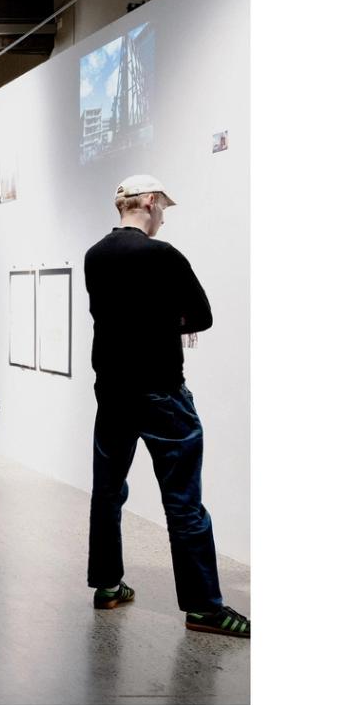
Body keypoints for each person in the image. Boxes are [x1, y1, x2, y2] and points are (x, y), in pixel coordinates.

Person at [82, 174, 249, 638]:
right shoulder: (163, 255)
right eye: (163, 210)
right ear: (150, 202)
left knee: (107, 492)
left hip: (112, 392)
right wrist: (164, 321)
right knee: (183, 502)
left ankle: (107, 585)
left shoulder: (94, 255)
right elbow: (202, 316)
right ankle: (204, 608)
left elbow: (110, 315)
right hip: (161, 393)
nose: (162, 219)